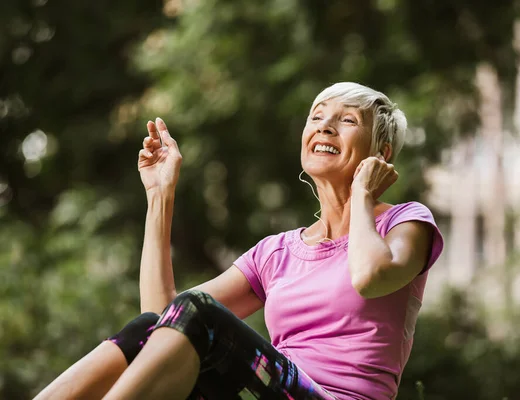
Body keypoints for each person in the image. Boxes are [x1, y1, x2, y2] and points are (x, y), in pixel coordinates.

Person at [34, 82, 444, 400]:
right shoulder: (277, 252)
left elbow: (370, 276)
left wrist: (362, 194)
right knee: (148, 326)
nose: (325, 126)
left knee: (201, 311)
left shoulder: (404, 222)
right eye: (317, 116)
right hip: (270, 388)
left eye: (348, 120)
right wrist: (160, 196)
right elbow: (166, 322)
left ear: (382, 152)